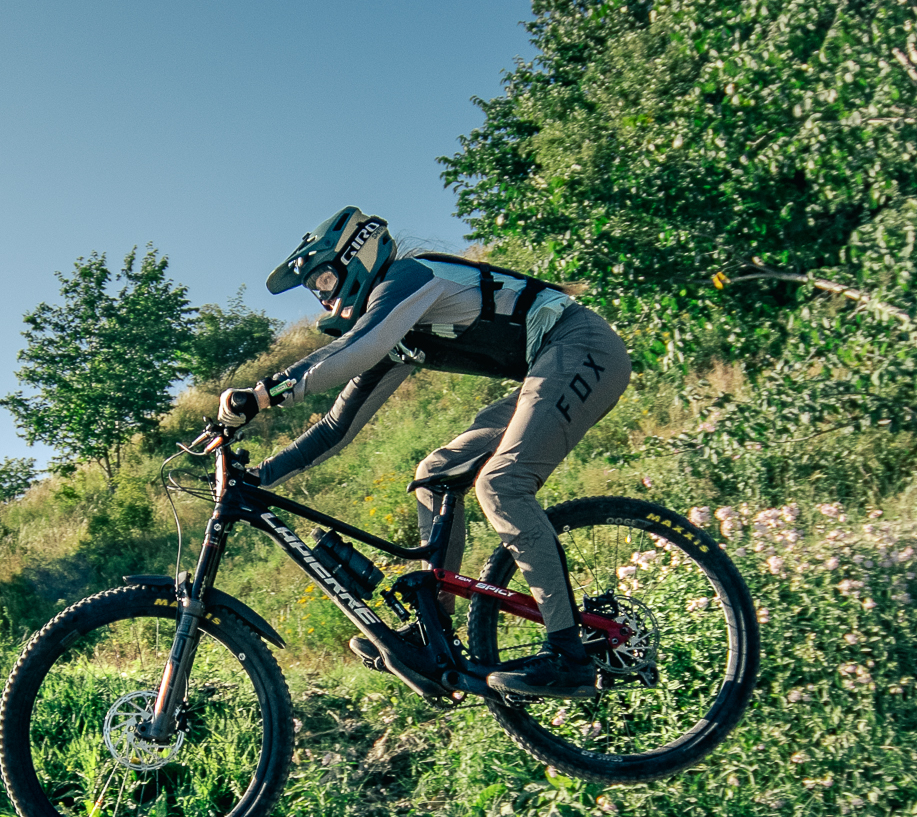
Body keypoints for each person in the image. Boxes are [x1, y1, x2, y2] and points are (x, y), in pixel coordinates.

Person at [216, 207, 630, 698]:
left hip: (582, 346)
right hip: (551, 364)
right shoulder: (397, 333)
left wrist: (264, 393)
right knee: (436, 473)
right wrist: (255, 479)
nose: (324, 298)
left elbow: (356, 348)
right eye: (315, 291)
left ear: (358, 256)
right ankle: (433, 631)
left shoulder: (409, 278)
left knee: (502, 484)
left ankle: (568, 655)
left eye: (324, 279)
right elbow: (333, 430)